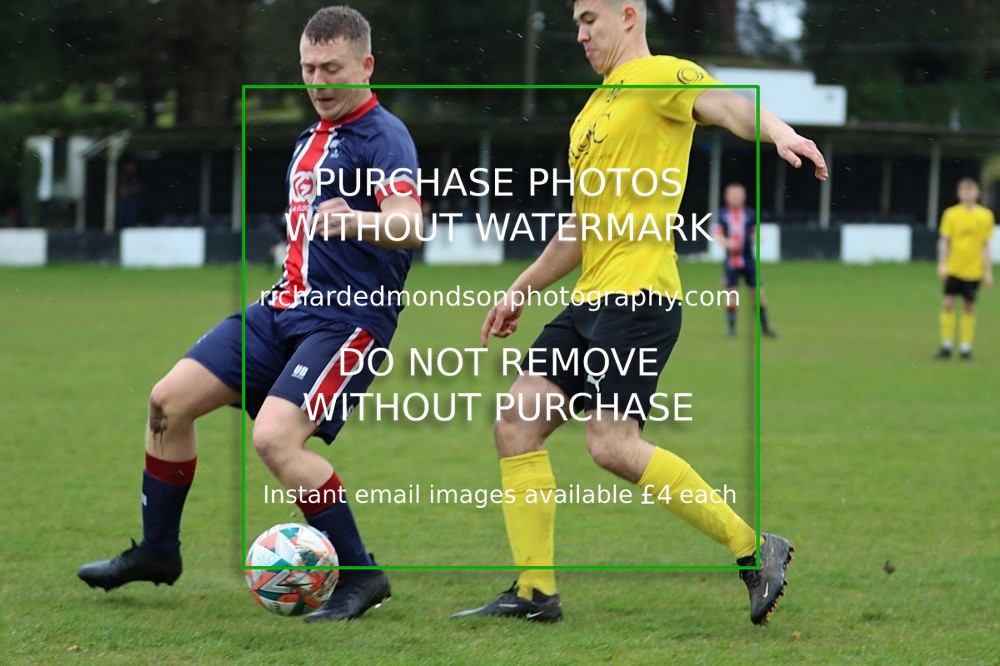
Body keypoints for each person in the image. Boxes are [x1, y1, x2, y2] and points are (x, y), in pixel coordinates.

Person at [452, 0, 827, 625]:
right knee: (515, 424)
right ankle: (535, 593)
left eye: (589, 19)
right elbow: (580, 228)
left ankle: (754, 547)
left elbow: (730, 105)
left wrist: (780, 132)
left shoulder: (661, 76)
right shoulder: (589, 113)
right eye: (576, 22)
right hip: (588, 301)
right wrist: (521, 287)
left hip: (639, 298)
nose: (579, 34)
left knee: (611, 445)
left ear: (628, 15)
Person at [78, 6, 424, 622]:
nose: (318, 82)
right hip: (282, 309)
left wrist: (356, 220)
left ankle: (361, 574)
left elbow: (410, 225)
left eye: (332, 69)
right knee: (167, 402)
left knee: (274, 438)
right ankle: (158, 552)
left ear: (366, 65)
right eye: (308, 68)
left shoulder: (384, 136)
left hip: (346, 322)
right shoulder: (311, 137)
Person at [935, 177, 995, 360]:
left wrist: (988, 272)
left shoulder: (985, 216)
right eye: (964, 190)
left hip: (973, 270)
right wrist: (942, 263)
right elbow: (944, 241)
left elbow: (986, 245)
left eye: (971, 190)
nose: (967, 194)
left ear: (978, 192)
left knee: (969, 307)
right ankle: (946, 345)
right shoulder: (951, 214)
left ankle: (965, 348)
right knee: (948, 304)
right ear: (959, 193)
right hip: (954, 268)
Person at [713, 182, 777, 337]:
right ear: (726, 197)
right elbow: (718, 235)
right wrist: (728, 243)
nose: (735, 197)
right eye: (732, 194)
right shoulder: (723, 214)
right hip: (731, 261)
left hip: (748, 260)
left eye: (738, 194)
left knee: (758, 296)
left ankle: (765, 328)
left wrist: (756, 237)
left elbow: (757, 232)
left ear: (744, 196)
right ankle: (731, 329)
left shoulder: (750, 214)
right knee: (731, 295)